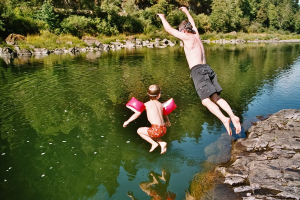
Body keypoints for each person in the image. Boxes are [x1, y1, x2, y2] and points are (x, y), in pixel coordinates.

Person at [157, 7, 241, 135]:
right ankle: (233, 116)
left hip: (198, 71)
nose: (181, 34)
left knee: (205, 101)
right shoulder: (196, 34)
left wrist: (162, 17)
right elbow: (193, 23)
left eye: (181, 31)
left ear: (183, 30)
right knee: (215, 97)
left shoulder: (186, 37)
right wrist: (186, 12)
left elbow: (168, 30)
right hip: (208, 69)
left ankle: (224, 119)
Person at [123, 84, 171, 154]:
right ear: (159, 95)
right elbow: (165, 114)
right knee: (153, 132)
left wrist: (127, 121)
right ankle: (161, 143)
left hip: (156, 130)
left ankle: (154, 144)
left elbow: (136, 114)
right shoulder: (161, 104)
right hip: (164, 129)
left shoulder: (146, 105)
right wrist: (168, 121)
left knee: (139, 131)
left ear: (148, 94)